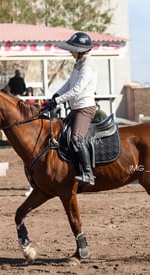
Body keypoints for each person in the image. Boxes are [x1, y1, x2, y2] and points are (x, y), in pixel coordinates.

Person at [45, 32, 97, 185]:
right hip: (75, 108)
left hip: (85, 109)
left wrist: (58, 102)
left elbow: (77, 90)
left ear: (81, 50)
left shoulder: (87, 66)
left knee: (76, 138)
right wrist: (56, 95)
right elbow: (69, 84)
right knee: (61, 135)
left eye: (72, 48)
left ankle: (88, 174)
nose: (70, 51)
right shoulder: (79, 63)